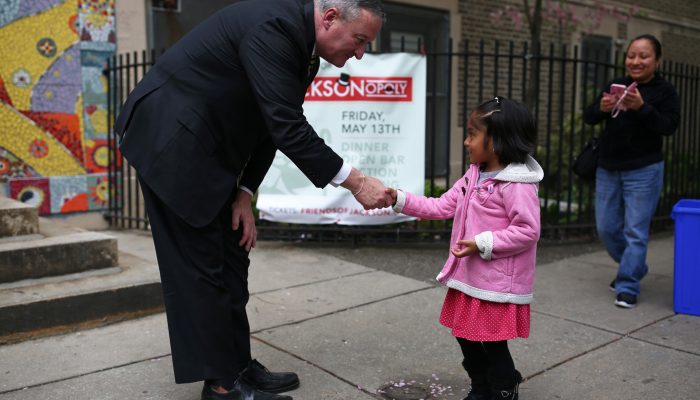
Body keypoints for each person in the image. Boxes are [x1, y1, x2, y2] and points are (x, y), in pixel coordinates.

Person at [113, 1, 391, 399]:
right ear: (329, 18)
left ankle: (237, 365)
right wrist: (357, 182)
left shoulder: (305, 51)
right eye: (360, 40)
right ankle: (223, 385)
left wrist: (244, 193)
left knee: (232, 256)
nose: (361, 53)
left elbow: (270, 124)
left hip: (209, 149)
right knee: (202, 267)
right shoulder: (274, 29)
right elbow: (287, 126)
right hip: (171, 141)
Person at [386, 97, 542, 400]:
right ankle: (481, 385)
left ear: (495, 141)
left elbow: (528, 230)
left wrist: (483, 242)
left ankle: (503, 388)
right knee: (464, 333)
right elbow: (442, 205)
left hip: (495, 282)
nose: (466, 141)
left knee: (493, 342)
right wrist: (399, 199)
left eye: (472, 134)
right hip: (470, 277)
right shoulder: (475, 174)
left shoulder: (517, 184)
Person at [583, 34, 680, 309]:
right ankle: (634, 265)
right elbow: (589, 116)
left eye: (644, 56)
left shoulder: (665, 91)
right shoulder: (618, 85)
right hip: (608, 168)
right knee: (606, 228)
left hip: (644, 171)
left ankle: (627, 285)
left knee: (635, 231)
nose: (636, 61)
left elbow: (669, 125)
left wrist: (642, 107)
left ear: (657, 61)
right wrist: (600, 109)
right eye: (631, 55)